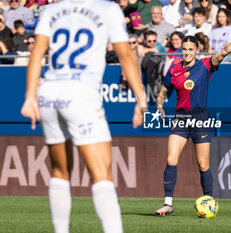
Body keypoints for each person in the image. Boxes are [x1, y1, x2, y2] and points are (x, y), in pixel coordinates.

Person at [20, 1, 147, 233]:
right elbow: (125, 55)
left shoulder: (51, 10)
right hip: (80, 92)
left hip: (48, 92)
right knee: (102, 175)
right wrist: (141, 99)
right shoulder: (108, 9)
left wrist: (30, 96)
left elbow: (37, 53)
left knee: (60, 173)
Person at [154, 31, 231, 216]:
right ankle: (168, 204)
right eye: (184, 49)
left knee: (203, 164)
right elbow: (163, 90)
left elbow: (223, 52)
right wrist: (160, 105)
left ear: (196, 50)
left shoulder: (205, 65)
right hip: (181, 118)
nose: (186, 53)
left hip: (200, 118)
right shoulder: (174, 69)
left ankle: (209, 201)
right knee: (171, 159)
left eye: (190, 49)